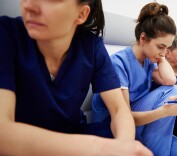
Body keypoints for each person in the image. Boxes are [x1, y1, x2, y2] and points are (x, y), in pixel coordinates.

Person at [0, 0, 153, 155]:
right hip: (23, 144)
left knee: (134, 139)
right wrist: (100, 148)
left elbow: (119, 109)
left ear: (81, 14)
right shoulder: (6, 34)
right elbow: (3, 132)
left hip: (73, 133)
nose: (28, 6)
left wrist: (124, 146)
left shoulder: (91, 46)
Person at [92, 3, 177, 156]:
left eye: (167, 48)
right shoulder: (119, 62)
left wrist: (160, 57)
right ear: (143, 38)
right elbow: (123, 117)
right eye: (160, 46)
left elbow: (170, 81)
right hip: (118, 126)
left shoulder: (149, 61)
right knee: (170, 91)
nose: (164, 53)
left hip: (144, 121)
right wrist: (163, 112)